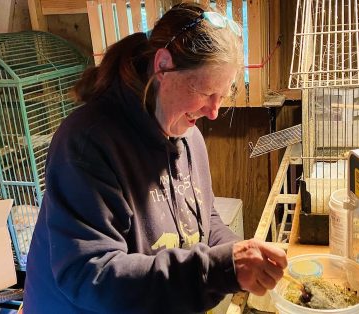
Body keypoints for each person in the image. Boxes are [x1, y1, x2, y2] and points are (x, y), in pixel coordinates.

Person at [22, 3, 287, 313]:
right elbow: (93, 276)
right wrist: (219, 268)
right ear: (163, 65)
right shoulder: (87, 142)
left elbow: (205, 218)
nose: (213, 112)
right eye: (204, 92)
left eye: (224, 95)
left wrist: (240, 255)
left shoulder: (188, 136)